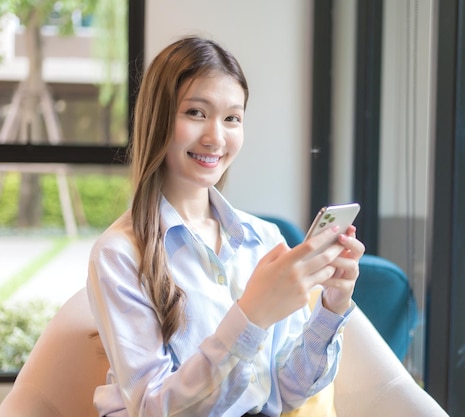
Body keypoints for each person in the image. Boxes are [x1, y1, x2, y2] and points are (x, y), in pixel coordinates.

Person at [86, 35, 365, 417]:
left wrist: (334, 303)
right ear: (158, 118)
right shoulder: (119, 254)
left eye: (232, 118)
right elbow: (154, 409)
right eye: (196, 113)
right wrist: (252, 316)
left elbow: (286, 393)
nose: (216, 137)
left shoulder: (264, 240)